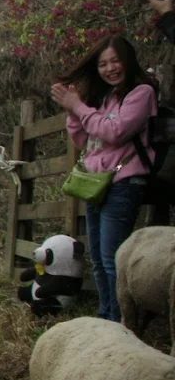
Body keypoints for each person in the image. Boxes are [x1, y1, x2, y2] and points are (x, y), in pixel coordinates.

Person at [51, 35, 156, 321]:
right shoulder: (107, 97)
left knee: (112, 260)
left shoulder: (141, 93)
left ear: (127, 60)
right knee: (97, 259)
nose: (110, 68)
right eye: (103, 64)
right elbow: (84, 138)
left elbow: (116, 131)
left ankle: (122, 322)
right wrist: (74, 110)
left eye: (115, 61)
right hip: (96, 184)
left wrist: (80, 107)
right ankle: (106, 314)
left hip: (124, 182)